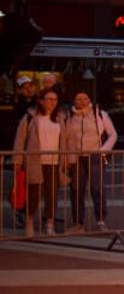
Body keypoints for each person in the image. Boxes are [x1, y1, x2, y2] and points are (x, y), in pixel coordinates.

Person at [59, 91, 116, 231]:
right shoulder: (69, 116)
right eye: (78, 98)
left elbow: (113, 134)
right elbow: (65, 138)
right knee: (76, 189)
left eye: (85, 98)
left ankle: (101, 220)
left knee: (97, 188)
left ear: (90, 99)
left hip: (95, 156)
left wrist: (103, 150)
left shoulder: (100, 115)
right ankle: (78, 222)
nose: (82, 101)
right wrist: (66, 157)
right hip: (76, 157)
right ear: (74, 101)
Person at [12, 87, 65, 236]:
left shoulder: (60, 118)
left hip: (54, 162)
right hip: (35, 161)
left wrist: (67, 159)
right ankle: (29, 222)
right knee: (33, 194)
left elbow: (65, 140)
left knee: (51, 194)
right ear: (41, 101)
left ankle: (49, 224)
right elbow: (20, 139)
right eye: (49, 99)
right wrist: (18, 160)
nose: (52, 102)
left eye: (55, 99)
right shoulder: (30, 117)